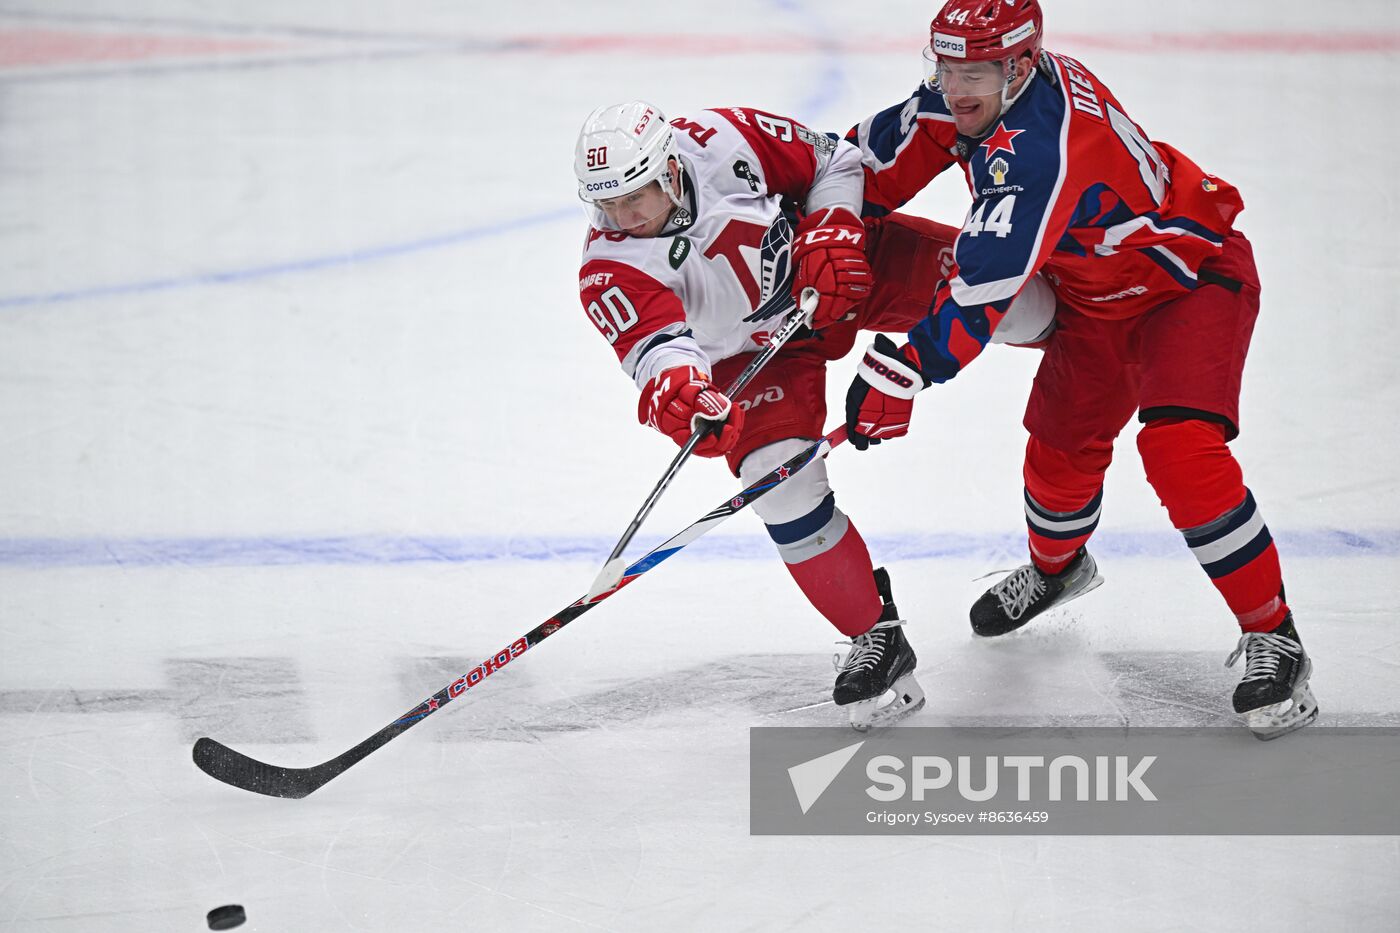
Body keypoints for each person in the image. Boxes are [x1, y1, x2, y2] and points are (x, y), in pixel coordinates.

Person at [841, 0, 1317, 739]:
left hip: (1187, 282)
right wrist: (809, 208)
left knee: (1180, 449)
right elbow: (866, 163)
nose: (954, 87)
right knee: (1058, 457)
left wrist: (902, 371)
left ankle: (1274, 632)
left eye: (975, 72)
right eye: (946, 67)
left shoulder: (1045, 149)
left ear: (1020, 65)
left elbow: (981, 286)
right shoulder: (984, 90)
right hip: (1095, 297)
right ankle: (1059, 570)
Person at [573, 100, 1054, 729]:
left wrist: (831, 230)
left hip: (836, 275)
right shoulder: (608, 266)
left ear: (668, 167)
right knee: (779, 487)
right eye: (605, 206)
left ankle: (1132, 325)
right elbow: (658, 352)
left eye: (634, 197)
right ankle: (874, 635)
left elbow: (835, 160)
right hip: (757, 356)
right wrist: (686, 395)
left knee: (1028, 303)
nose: (622, 218)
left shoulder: (720, 138)